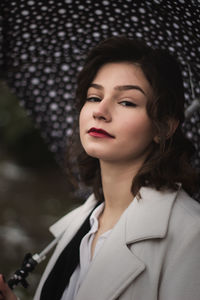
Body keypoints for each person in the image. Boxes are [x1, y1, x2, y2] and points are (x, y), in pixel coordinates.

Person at [0, 36, 200, 300]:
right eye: (94, 97)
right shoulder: (83, 222)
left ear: (164, 127)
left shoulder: (191, 236)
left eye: (127, 102)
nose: (100, 111)